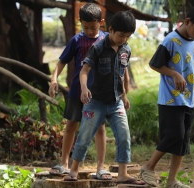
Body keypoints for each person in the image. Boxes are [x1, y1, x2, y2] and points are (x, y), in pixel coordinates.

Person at [63, 11, 145, 185]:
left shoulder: (126, 50)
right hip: (96, 102)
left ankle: (123, 173)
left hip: (116, 102)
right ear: (110, 29)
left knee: (124, 136)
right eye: (121, 35)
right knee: (84, 136)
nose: (123, 39)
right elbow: (84, 71)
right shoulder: (98, 48)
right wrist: (84, 89)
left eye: (127, 36)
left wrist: (125, 95)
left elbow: (122, 74)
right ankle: (73, 170)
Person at [140, 3, 194, 188]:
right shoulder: (170, 40)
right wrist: (174, 74)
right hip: (170, 100)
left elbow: (192, 59)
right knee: (174, 136)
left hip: (189, 98)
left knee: (183, 140)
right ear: (187, 21)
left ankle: (172, 180)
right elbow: (154, 64)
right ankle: (148, 167)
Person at [48, 3, 119, 180]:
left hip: (99, 94)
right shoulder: (77, 40)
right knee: (71, 125)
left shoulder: (106, 40)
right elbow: (61, 62)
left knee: (100, 128)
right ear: (80, 22)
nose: (88, 30)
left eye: (92, 27)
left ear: (101, 23)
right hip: (77, 91)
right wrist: (54, 79)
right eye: (85, 27)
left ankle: (101, 167)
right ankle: (64, 163)